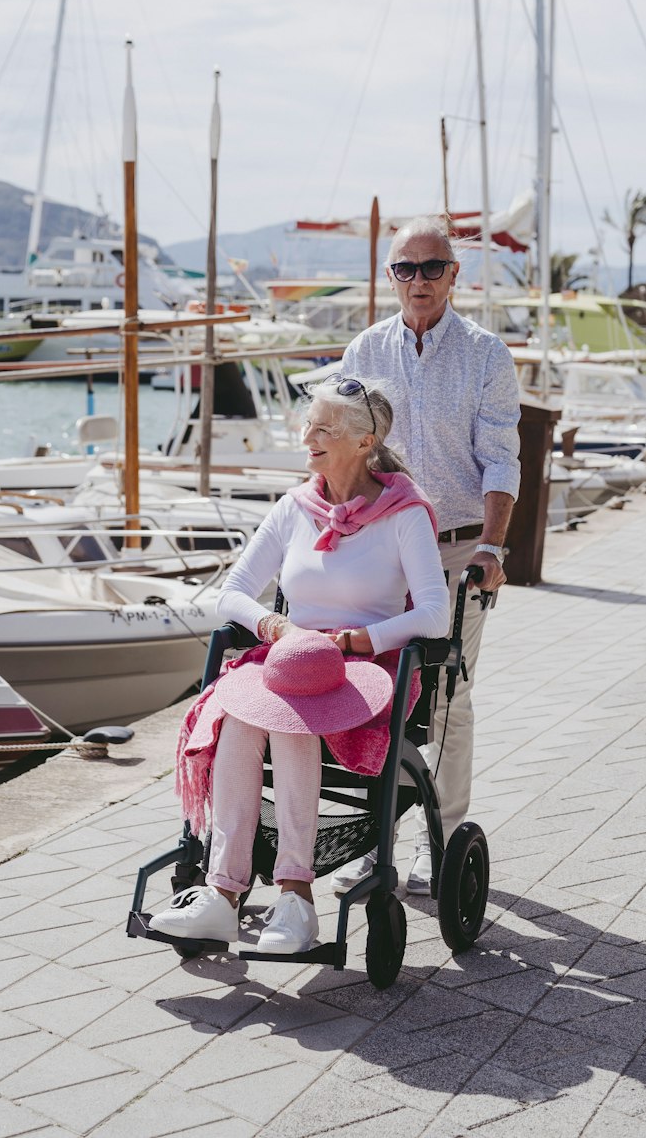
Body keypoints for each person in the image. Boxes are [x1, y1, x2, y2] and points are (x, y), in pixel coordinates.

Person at [149, 375, 450, 954]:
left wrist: (362, 640)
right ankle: (222, 893)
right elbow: (233, 591)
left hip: (369, 674)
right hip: (292, 659)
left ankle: (296, 897)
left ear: (365, 443)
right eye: (307, 423)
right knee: (240, 711)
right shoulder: (297, 506)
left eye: (324, 429)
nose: (307, 436)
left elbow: (435, 614)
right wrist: (276, 627)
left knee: (290, 717)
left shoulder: (405, 513)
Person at [334, 215, 520, 895]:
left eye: (431, 267)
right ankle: (365, 834)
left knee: (445, 697)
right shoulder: (364, 351)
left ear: (453, 275)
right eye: (405, 269)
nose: (419, 281)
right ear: (391, 277)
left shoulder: (486, 355)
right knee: (367, 689)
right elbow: (345, 452)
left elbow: (502, 458)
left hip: (458, 547)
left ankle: (436, 839)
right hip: (380, 547)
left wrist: (494, 546)